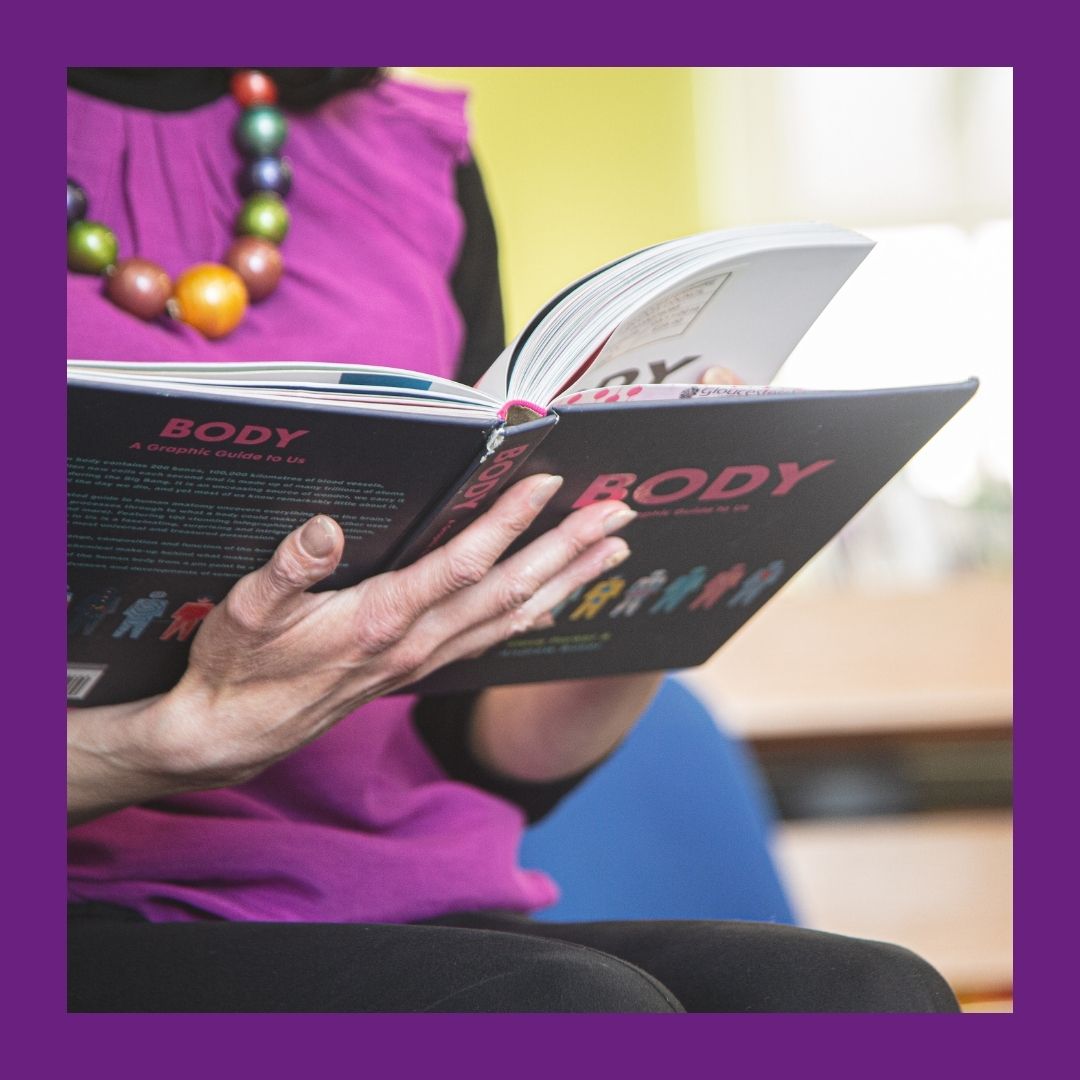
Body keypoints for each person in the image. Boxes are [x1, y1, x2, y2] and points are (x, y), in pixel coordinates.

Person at [67, 68, 961, 1012]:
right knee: (575, 1011)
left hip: (381, 893)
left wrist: (659, 554)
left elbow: (471, 742)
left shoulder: (407, 150)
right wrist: (159, 745)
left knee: (869, 995)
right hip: (77, 898)